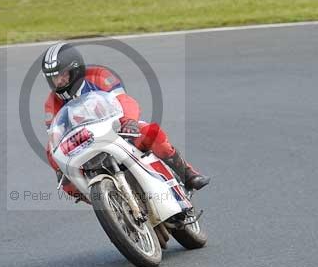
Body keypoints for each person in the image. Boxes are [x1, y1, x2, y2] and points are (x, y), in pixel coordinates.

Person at [42, 42, 209, 200]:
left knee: (151, 133)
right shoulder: (51, 103)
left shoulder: (99, 76)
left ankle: (187, 174)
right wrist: (59, 167)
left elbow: (124, 100)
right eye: (53, 78)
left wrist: (129, 121)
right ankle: (111, 205)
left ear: (75, 69)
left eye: (62, 74)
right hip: (85, 145)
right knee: (68, 185)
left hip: (118, 127)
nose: (59, 81)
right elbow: (54, 139)